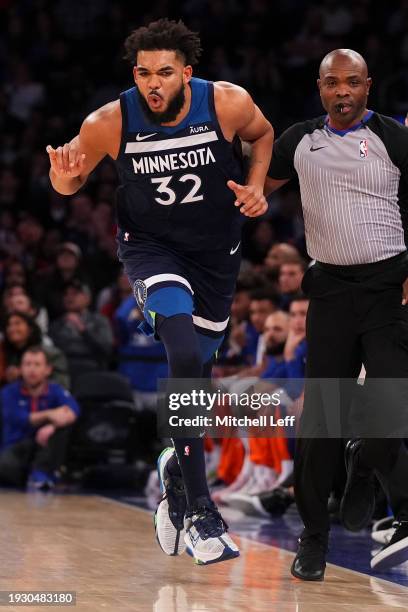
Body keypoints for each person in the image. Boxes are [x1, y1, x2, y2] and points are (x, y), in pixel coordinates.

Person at [46, 18, 273, 565]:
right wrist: (62, 176)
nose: (154, 82)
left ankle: (175, 465)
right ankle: (201, 509)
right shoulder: (109, 121)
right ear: (135, 74)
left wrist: (258, 185)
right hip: (152, 251)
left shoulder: (226, 103)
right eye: (145, 72)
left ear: (186, 74)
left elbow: (262, 136)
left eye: (165, 73)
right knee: (182, 349)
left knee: (197, 374)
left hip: (215, 256)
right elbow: (69, 179)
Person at [266, 48, 408, 579]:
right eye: (333, 83)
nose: (342, 91)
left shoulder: (394, 138)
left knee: (391, 407)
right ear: (320, 87)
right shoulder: (300, 141)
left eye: (352, 82)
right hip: (328, 290)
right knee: (321, 422)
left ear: (368, 86)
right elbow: (254, 184)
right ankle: (314, 540)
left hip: (387, 286)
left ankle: (365, 469)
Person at [0, 346, 79, 490]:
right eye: (27, 364)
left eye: (37, 364)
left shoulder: (56, 390)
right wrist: (49, 415)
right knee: (5, 469)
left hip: (44, 447)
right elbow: (20, 418)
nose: (32, 369)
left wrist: (52, 426)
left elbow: (73, 411)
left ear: (47, 370)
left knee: (62, 428)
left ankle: (40, 475)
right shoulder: (8, 392)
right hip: (15, 447)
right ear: (20, 369)